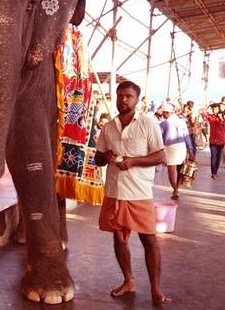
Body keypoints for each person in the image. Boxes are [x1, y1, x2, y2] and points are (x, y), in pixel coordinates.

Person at [94, 81, 172, 305]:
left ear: (137, 100)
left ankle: (156, 290)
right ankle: (128, 281)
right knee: (119, 239)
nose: (123, 100)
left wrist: (133, 161)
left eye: (128, 96)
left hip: (139, 192)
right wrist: (106, 155)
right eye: (120, 96)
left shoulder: (148, 124)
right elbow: (98, 159)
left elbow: (160, 156)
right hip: (115, 191)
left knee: (149, 240)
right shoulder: (109, 127)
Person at [159, 102, 195, 200]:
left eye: (163, 113)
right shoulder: (182, 121)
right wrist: (190, 150)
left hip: (170, 148)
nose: (162, 115)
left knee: (171, 171)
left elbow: (159, 139)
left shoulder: (163, 123)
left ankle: (175, 189)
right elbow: (187, 136)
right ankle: (177, 188)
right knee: (180, 169)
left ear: (167, 113)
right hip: (181, 147)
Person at [200, 103, 225, 179]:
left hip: (221, 140)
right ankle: (213, 173)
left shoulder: (223, 117)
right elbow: (202, 113)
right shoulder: (211, 117)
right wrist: (207, 107)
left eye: (215, 108)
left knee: (219, 157)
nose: (213, 110)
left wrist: (222, 118)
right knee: (213, 156)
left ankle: (216, 171)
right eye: (213, 109)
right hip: (213, 141)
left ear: (218, 109)